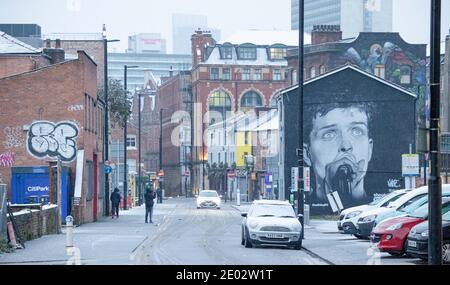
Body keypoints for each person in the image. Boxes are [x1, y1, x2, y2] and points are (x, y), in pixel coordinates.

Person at [303, 102, 375, 211]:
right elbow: (337, 213)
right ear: (307, 154)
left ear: (370, 149)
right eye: (329, 134)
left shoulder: (376, 208)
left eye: (357, 131)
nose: (345, 146)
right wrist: (332, 188)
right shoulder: (306, 206)